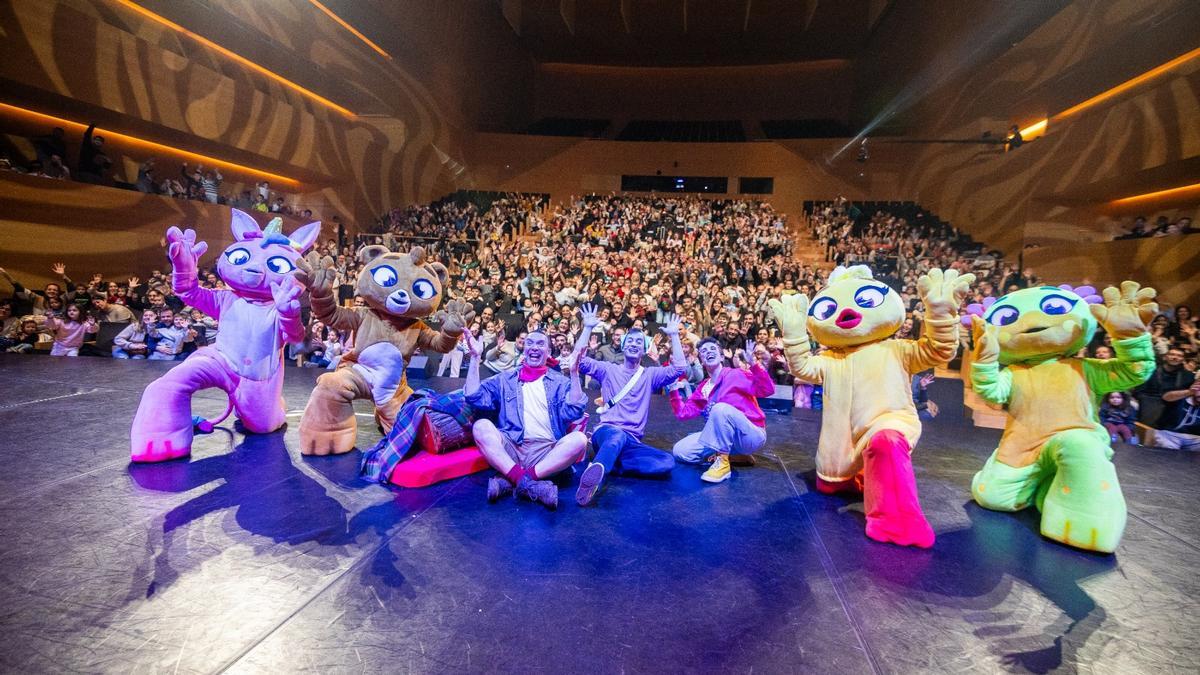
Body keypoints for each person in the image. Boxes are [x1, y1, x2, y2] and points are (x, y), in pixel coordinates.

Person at [570, 304, 687, 506]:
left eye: (639, 342)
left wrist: (675, 335)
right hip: (607, 432)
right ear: (623, 346)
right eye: (630, 341)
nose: (634, 344)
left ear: (644, 349)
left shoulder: (650, 375)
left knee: (666, 462)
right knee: (616, 437)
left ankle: (609, 462)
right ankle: (595, 479)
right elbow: (578, 360)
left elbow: (679, 369)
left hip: (631, 441)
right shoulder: (608, 369)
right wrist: (587, 327)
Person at [463, 328, 588, 509]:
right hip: (512, 447)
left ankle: (511, 480)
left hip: (546, 452)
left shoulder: (560, 382)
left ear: (549, 351)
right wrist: (475, 358)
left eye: (540, 344)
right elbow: (474, 396)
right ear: (524, 348)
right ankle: (530, 484)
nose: (534, 347)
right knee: (481, 426)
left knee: (580, 439)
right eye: (530, 343)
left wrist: (574, 373)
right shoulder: (506, 379)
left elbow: (574, 411)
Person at [669, 337, 775, 483]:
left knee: (719, 409)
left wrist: (754, 365)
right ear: (701, 360)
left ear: (722, 357)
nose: (708, 352)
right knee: (681, 451)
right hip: (726, 438)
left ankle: (723, 464)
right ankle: (733, 456)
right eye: (704, 351)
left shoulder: (735, 374)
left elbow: (767, 389)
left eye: (712, 349)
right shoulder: (703, 388)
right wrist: (673, 389)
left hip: (750, 435)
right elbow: (682, 413)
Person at [1136, 348, 1195, 426]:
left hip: (1173, 408)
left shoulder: (1189, 376)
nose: (1175, 357)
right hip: (1148, 403)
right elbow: (1139, 390)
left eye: (1179, 356)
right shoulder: (1152, 370)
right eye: (1172, 354)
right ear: (1165, 357)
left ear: (1183, 360)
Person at [1153, 380, 1200, 451]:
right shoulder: (1182, 396)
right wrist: (1190, 391)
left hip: (1192, 437)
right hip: (1168, 434)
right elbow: (1166, 397)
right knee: (1167, 448)